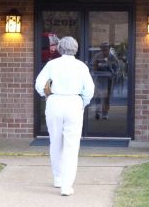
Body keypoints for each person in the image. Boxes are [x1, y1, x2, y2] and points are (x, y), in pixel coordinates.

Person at [35, 36, 95, 196]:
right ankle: (67, 186)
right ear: (75, 49)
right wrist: (83, 102)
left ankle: (58, 178)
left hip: (55, 102)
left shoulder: (52, 64)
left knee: (55, 141)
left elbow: (39, 84)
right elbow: (89, 89)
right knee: (71, 145)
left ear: (60, 48)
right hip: (74, 102)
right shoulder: (81, 66)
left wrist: (47, 95)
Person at [92, 41, 120, 120]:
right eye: (103, 49)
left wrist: (114, 73)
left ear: (108, 49)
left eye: (106, 49)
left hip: (108, 80)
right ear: (101, 49)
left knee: (106, 97)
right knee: (97, 96)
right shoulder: (97, 56)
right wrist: (98, 66)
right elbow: (93, 66)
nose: (105, 50)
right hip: (99, 79)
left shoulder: (112, 56)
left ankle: (105, 113)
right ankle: (98, 112)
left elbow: (117, 67)